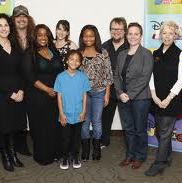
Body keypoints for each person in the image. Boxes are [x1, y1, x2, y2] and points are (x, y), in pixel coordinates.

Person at [145, 21, 182, 176]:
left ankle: (159, 162)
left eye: (171, 33)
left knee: (164, 132)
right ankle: (168, 154)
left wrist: (168, 98)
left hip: (172, 99)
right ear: (160, 34)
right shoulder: (155, 53)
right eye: (165, 33)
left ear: (175, 35)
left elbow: (181, 79)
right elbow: (151, 76)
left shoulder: (180, 54)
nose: (167, 36)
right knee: (159, 132)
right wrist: (154, 96)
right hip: (156, 98)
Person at [0, 13, 27, 171]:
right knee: (3, 128)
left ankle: (13, 154)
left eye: (6, 25)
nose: (3, 28)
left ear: (10, 27)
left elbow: (22, 71)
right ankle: (5, 157)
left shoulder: (15, 45)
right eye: (0, 25)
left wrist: (22, 90)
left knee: (14, 126)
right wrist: (11, 93)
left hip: (18, 93)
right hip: (1, 94)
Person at [22, 24, 64, 165]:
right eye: (40, 35)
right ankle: (43, 156)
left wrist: (59, 89)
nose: (43, 37)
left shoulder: (53, 50)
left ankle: (55, 152)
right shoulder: (29, 53)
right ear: (34, 36)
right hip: (37, 97)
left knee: (54, 125)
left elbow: (61, 71)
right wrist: (47, 89)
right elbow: (29, 77)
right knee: (41, 127)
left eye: (45, 34)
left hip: (55, 95)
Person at [114, 22, 153, 169]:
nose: (133, 36)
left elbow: (145, 77)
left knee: (139, 129)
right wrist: (120, 93)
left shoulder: (146, 54)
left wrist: (129, 94)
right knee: (128, 129)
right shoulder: (121, 54)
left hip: (140, 98)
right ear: (126, 35)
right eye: (130, 33)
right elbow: (116, 76)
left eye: (136, 34)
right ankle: (130, 155)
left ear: (141, 36)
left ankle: (140, 156)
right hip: (123, 98)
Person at [78, 25, 113, 161]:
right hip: (84, 94)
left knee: (97, 121)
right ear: (82, 37)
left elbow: (108, 74)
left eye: (91, 36)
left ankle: (97, 148)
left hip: (99, 92)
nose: (88, 38)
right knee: (85, 121)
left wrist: (107, 94)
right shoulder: (79, 53)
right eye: (85, 36)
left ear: (95, 37)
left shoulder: (103, 52)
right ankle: (86, 147)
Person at [54, 50, 91, 170]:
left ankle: (75, 157)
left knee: (76, 138)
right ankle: (65, 158)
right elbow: (58, 96)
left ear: (80, 63)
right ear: (66, 60)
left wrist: (83, 111)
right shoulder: (60, 77)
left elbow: (85, 95)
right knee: (65, 139)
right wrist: (61, 113)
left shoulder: (83, 77)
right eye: (71, 59)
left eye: (77, 60)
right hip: (65, 115)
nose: (74, 62)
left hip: (79, 114)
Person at [11, 4, 36, 157]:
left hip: (32, 82)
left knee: (32, 114)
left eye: (24, 16)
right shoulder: (8, 37)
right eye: (18, 16)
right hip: (15, 82)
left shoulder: (34, 36)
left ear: (28, 19)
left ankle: (33, 141)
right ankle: (19, 145)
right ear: (13, 19)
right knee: (17, 115)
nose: (21, 18)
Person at [101, 17, 129, 149]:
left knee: (128, 120)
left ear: (125, 31)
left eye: (119, 29)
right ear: (110, 30)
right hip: (109, 89)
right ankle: (104, 141)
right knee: (106, 118)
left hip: (126, 90)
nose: (116, 31)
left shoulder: (131, 46)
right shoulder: (103, 47)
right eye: (113, 29)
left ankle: (130, 144)